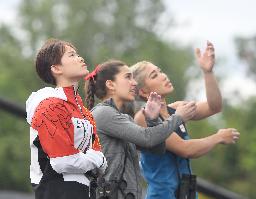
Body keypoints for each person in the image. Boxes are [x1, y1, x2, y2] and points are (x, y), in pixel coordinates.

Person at [131, 41, 240, 199]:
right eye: (154, 75)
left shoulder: (176, 109)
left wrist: (207, 72)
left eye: (160, 71)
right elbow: (185, 149)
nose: (163, 76)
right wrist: (218, 137)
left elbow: (214, 106)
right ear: (143, 91)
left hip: (186, 194)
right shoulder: (143, 117)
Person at [84, 59, 196, 199]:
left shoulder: (123, 118)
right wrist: (178, 117)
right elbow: (148, 138)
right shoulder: (104, 113)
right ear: (110, 84)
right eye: (127, 77)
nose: (135, 83)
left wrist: (152, 119)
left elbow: (157, 148)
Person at [26, 39, 107, 199]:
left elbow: (99, 156)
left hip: (86, 190)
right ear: (56, 68)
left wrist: (94, 159)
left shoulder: (84, 111)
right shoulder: (49, 105)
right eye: (72, 55)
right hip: (56, 190)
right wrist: (95, 160)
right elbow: (63, 161)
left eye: (77, 54)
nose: (80, 58)